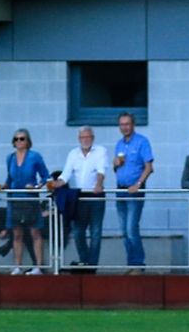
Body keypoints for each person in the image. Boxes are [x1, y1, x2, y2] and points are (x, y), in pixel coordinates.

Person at [52, 126, 107, 272]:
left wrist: (99, 184)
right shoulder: (73, 154)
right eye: (83, 137)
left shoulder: (100, 151)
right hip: (79, 197)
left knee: (95, 232)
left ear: (93, 138)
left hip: (96, 195)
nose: (86, 140)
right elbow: (65, 175)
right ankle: (85, 262)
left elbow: (101, 171)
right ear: (79, 139)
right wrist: (55, 184)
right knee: (78, 232)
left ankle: (92, 267)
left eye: (88, 137)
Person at [0, 129, 49, 275]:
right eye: (16, 139)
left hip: (30, 198)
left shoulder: (35, 156)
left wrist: (36, 187)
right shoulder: (10, 158)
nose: (19, 141)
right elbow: (10, 178)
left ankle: (38, 266)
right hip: (14, 198)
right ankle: (17, 266)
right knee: (17, 233)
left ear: (28, 141)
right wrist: (4, 186)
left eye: (22, 139)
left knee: (35, 232)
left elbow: (45, 176)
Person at [112, 112, 154, 272]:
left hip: (134, 191)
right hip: (120, 189)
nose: (125, 127)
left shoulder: (142, 142)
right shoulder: (119, 144)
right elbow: (117, 168)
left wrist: (138, 184)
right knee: (123, 230)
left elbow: (149, 167)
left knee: (131, 228)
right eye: (122, 124)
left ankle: (138, 264)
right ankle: (131, 264)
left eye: (127, 124)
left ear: (133, 124)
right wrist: (115, 164)